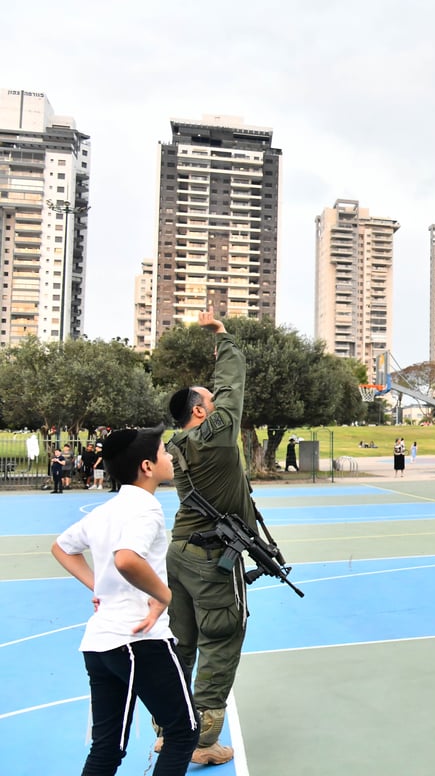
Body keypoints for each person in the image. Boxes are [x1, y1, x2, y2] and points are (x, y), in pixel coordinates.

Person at [52, 426, 200, 775]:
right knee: (184, 731)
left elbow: (62, 547)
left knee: (107, 748)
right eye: (165, 453)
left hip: (100, 644)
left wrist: (97, 587)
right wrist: (164, 595)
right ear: (147, 466)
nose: (170, 459)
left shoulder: (105, 511)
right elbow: (126, 559)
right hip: (138, 641)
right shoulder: (146, 510)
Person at [164, 311, 253, 765]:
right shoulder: (213, 437)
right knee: (220, 641)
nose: (216, 404)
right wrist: (222, 338)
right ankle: (201, 744)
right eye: (208, 401)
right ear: (199, 412)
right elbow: (232, 387)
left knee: (181, 643)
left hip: (178, 553)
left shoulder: (176, 446)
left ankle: (168, 730)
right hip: (210, 558)